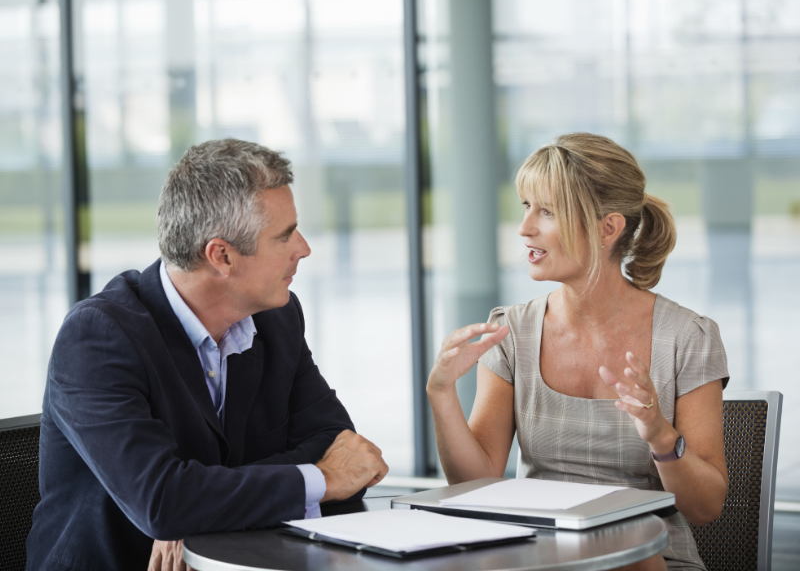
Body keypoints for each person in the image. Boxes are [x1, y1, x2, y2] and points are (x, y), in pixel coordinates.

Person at [26, 139, 389, 571]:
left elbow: (348, 453)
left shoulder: (278, 317)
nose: (303, 248)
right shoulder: (98, 337)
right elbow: (163, 501)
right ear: (221, 256)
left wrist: (200, 505)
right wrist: (321, 478)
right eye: (284, 236)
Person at [427, 133, 728, 570]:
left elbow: (706, 508)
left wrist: (660, 434)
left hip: (649, 557)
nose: (525, 227)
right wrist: (441, 393)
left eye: (546, 211)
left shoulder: (687, 337)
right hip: (539, 557)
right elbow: (478, 486)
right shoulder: (510, 331)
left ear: (608, 227)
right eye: (526, 206)